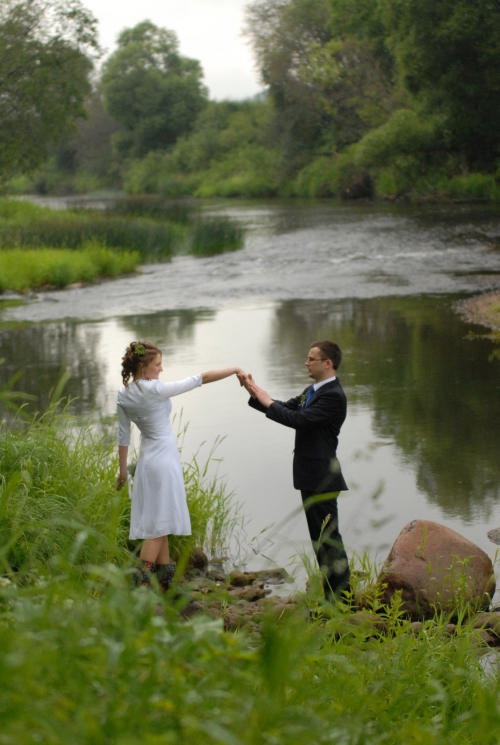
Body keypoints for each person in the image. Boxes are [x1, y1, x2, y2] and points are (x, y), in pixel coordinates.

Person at [116, 340, 245, 591]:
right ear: (143, 366)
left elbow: (122, 436)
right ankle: (138, 585)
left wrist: (123, 471)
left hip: (146, 462)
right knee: (156, 527)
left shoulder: (124, 393)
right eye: (158, 364)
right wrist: (235, 369)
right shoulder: (154, 389)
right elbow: (201, 378)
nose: (161, 369)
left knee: (160, 520)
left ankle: (166, 586)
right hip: (164, 460)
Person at [240, 340, 350, 600]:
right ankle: (332, 594)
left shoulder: (333, 395)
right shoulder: (312, 390)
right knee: (319, 538)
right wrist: (255, 391)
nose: (306, 362)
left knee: (328, 538)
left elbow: (299, 420)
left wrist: (267, 401)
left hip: (323, 477)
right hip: (309, 475)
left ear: (327, 363)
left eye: (311, 358)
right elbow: (287, 408)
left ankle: (341, 598)